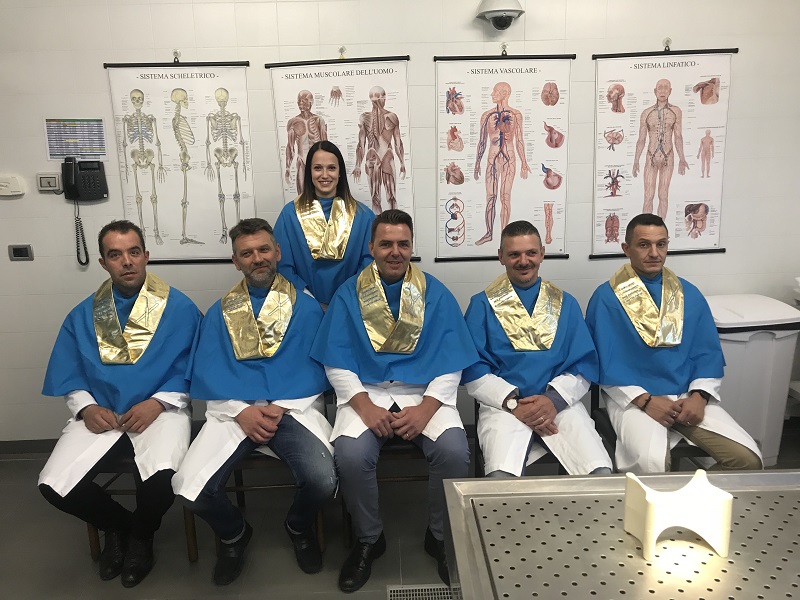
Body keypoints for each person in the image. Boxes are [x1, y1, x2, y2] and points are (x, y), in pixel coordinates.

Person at [310, 209, 478, 592]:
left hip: (422, 393)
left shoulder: (435, 293)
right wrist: (364, 406)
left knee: (454, 451)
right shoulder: (348, 293)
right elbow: (336, 360)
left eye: (403, 243)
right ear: (371, 247)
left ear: (412, 246)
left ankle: (439, 536)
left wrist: (427, 408)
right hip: (366, 393)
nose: (395, 251)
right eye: (386, 243)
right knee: (351, 456)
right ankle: (369, 538)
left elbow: (451, 360)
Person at [172, 218, 336, 586]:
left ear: (277, 252)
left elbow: (320, 366)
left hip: (291, 410)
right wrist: (241, 411)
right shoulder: (219, 312)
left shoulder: (307, 309)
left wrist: (281, 406)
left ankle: (298, 527)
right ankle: (234, 535)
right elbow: (209, 369)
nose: (257, 258)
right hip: (235, 412)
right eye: (247, 253)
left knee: (323, 481)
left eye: (263, 250)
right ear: (236, 261)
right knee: (189, 487)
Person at [38, 220, 201, 588]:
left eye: (133, 252)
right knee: (54, 485)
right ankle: (120, 526)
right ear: (103, 263)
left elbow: (195, 366)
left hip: (160, 411)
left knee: (161, 477)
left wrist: (158, 403)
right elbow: (71, 370)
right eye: (115, 255)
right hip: (104, 412)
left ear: (146, 256)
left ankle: (141, 538)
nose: (126, 261)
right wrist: (85, 408)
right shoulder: (83, 314)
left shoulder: (180, 308)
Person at [585, 213, 763, 473]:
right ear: (626, 248)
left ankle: (695, 497)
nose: (654, 253)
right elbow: (603, 365)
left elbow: (706, 354)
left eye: (661, 244)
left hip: (685, 396)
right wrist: (646, 401)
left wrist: (700, 396)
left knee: (748, 460)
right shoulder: (606, 299)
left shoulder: (688, 294)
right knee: (651, 465)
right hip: (634, 400)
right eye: (644, 245)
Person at [463, 221, 613, 477]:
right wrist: (513, 404)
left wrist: (552, 401)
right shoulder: (482, 305)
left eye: (531, 253)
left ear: (542, 254)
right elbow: (473, 370)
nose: (524, 261)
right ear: (501, 256)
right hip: (504, 407)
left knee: (599, 473)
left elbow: (582, 365)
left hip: (559, 405)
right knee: (500, 478)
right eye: (514, 254)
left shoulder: (565, 303)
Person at [274, 140, 374, 308]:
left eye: (331, 168)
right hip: (303, 305)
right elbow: (283, 266)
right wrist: (310, 302)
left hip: (351, 303)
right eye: (318, 168)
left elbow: (369, 265)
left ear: (340, 172)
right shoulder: (289, 214)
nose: (325, 175)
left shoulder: (363, 216)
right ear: (309, 172)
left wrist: (345, 298)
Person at [473, 82, 531, 246]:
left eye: (495, 91)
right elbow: (482, 141)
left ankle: (504, 237)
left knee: (505, 197)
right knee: (491, 197)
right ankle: (489, 233)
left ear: (504, 93)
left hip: (509, 158)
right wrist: (477, 162)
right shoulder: (486, 115)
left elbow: (519, 140)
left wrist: (524, 162)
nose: (492, 94)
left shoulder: (516, 114)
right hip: (492, 158)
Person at [632, 79, 689, 219]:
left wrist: (682, 158)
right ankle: (646, 227)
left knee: (663, 194)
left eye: (666, 88)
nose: (662, 91)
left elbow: (678, 137)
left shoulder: (676, 111)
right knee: (648, 195)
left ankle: (661, 227)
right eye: (660, 88)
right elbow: (641, 139)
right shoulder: (646, 113)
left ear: (670, 91)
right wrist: (636, 160)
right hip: (651, 156)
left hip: (668, 157)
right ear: (655, 91)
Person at [352, 86, 407, 214]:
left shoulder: (392, 117)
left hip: (387, 157)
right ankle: (378, 225)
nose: (382, 100)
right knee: (376, 198)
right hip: (373, 157)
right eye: (380, 97)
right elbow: (361, 143)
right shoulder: (365, 117)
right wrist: (357, 165)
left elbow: (398, 142)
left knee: (391, 196)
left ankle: (393, 223)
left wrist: (402, 162)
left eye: (383, 97)